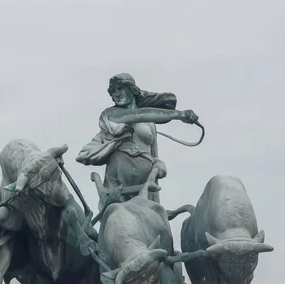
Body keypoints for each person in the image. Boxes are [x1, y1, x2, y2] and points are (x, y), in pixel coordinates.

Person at [76, 73, 199, 207]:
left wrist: (159, 165)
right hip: (118, 183)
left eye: (120, 88)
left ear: (132, 90)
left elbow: (154, 154)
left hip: (145, 185)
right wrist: (180, 115)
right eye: (113, 91)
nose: (116, 94)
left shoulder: (150, 124)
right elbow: (139, 115)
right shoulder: (111, 114)